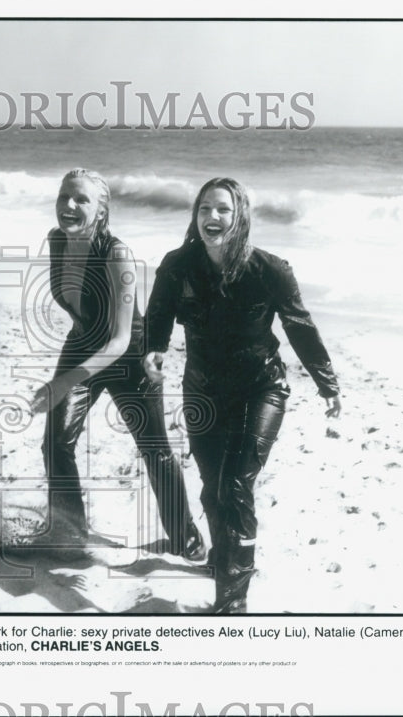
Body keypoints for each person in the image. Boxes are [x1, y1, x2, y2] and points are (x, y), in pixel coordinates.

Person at [143, 177, 342, 613]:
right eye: (204, 209)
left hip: (261, 388)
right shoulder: (177, 265)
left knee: (235, 485)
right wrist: (154, 351)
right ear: (195, 215)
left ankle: (233, 602)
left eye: (223, 209)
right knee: (213, 488)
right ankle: (225, 558)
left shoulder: (270, 270)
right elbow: (156, 318)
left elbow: (300, 328)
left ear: (240, 217)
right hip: (203, 391)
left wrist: (327, 383)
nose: (212, 217)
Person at [28, 168, 204, 560]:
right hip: (83, 344)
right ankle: (69, 533)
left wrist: (61, 382)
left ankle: (185, 538)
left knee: (154, 449)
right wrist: (72, 360)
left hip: (128, 357)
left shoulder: (117, 254)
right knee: (56, 441)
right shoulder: (57, 241)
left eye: (81, 200)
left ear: (102, 211)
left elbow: (120, 338)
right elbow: (76, 304)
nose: (68, 206)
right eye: (63, 197)